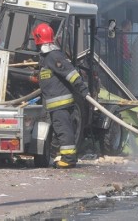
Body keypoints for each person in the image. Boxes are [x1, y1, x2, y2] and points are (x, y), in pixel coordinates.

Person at [32, 22, 89, 169]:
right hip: (55, 105)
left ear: (37, 38)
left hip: (60, 104)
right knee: (60, 132)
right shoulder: (47, 57)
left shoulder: (53, 56)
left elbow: (70, 73)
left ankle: (69, 159)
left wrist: (82, 89)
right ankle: (60, 156)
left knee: (64, 130)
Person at [119, 19, 132, 83]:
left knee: (127, 74)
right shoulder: (121, 34)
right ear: (127, 25)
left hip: (127, 57)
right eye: (130, 25)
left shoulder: (124, 34)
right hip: (124, 58)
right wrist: (124, 54)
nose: (130, 26)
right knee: (125, 75)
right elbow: (121, 46)